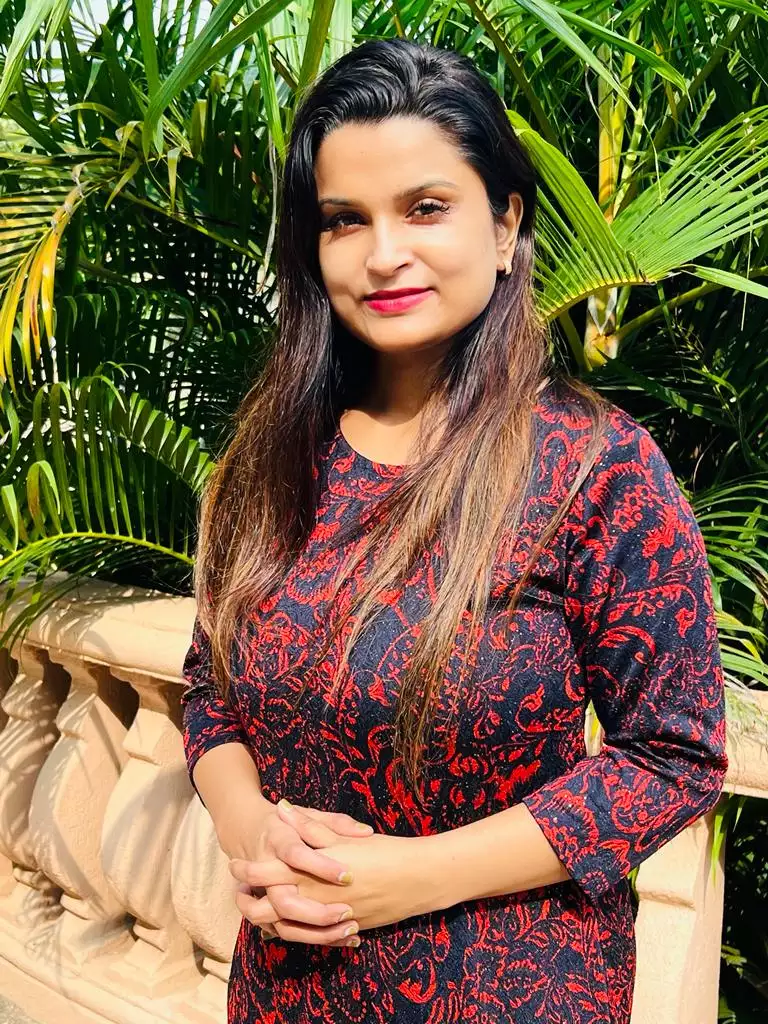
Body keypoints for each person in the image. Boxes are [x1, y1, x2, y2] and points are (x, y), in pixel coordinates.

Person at [180, 38, 728, 1024]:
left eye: (425, 208)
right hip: (289, 986)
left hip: (509, 986)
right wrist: (247, 826)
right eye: (345, 220)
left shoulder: (594, 470)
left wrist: (414, 877)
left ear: (506, 223)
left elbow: (674, 753)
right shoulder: (268, 461)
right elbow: (210, 689)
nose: (383, 253)